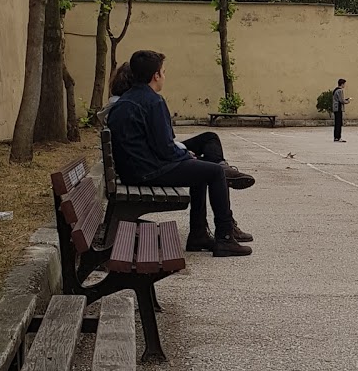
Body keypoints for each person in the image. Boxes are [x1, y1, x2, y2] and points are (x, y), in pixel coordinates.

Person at [107, 50, 253, 256]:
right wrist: (187, 156)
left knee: (203, 169)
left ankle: (199, 234)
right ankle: (225, 237)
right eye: (163, 72)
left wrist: (188, 158)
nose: (164, 76)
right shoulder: (153, 101)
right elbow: (165, 149)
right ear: (155, 75)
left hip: (136, 168)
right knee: (214, 172)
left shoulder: (129, 98)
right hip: (147, 171)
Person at [106, 61, 255, 190]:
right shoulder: (144, 103)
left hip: (145, 161)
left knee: (209, 141)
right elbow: (162, 146)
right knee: (210, 170)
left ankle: (222, 168)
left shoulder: (126, 102)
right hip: (149, 166)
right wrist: (184, 155)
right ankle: (222, 173)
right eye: (162, 73)